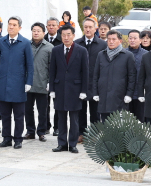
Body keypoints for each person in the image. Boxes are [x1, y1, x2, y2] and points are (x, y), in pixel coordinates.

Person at [0, 16, 33, 149]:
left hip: (19, 84)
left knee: (19, 115)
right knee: (4, 114)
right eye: (9, 24)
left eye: (14, 25)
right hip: (3, 83)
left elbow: (30, 65)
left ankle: (18, 139)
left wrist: (28, 82)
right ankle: (6, 138)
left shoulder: (25, 43)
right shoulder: (1, 41)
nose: (11, 27)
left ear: (19, 28)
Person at [49, 24, 88, 154]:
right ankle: (62, 143)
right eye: (63, 35)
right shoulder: (56, 50)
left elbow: (85, 72)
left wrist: (83, 91)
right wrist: (52, 89)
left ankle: (72, 144)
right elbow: (52, 71)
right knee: (61, 118)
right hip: (60, 88)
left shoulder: (81, 50)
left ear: (73, 35)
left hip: (75, 89)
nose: (66, 37)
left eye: (68, 35)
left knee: (74, 119)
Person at [92, 30, 136, 121]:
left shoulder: (127, 56)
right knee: (105, 126)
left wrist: (129, 94)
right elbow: (96, 75)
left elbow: (132, 77)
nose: (111, 41)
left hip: (120, 98)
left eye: (113, 39)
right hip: (104, 97)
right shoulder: (101, 55)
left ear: (120, 41)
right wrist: (95, 92)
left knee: (119, 128)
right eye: (109, 39)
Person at [76, 17, 107, 141]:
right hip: (80, 83)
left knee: (95, 111)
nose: (88, 29)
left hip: (96, 83)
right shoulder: (77, 43)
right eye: (86, 27)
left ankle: (94, 135)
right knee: (80, 111)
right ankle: (81, 133)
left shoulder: (102, 44)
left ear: (95, 29)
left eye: (90, 27)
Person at [25, 22, 52, 142]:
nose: (36, 33)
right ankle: (30, 131)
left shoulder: (50, 47)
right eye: (34, 30)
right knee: (27, 110)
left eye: (38, 31)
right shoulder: (26, 45)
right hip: (28, 84)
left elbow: (52, 67)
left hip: (42, 84)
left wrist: (49, 82)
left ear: (43, 33)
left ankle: (41, 132)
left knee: (42, 111)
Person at [44, 17, 62, 136]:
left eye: (53, 25)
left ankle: (57, 127)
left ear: (58, 27)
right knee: (44, 105)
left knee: (58, 104)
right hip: (44, 77)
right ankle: (45, 126)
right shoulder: (41, 39)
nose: (51, 27)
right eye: (49, 25)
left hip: (57, 78)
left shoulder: (62, 40)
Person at [126, 29, 148, 122]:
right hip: (125, 93)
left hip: (140, 93)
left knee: (140, 121)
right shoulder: (123, 53)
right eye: (130, 38)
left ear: (140, 40)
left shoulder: (146, 54)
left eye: (135, 38)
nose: (132, 40)